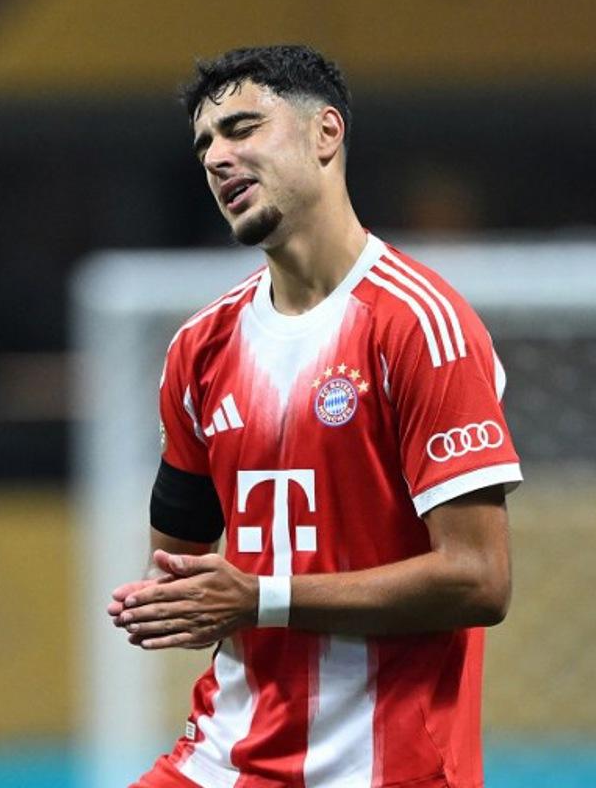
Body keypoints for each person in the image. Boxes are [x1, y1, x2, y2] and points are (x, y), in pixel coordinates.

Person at [107, 45, 521, 788]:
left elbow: (480, 580)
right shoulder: (199, 349)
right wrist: (168, 603)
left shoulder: (421, 326)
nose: (217, 158)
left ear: (326, 133)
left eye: (242, 128)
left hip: (393, 767)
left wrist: (258, 597)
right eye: (205, 143)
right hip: (225, 757)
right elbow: (178, 563)